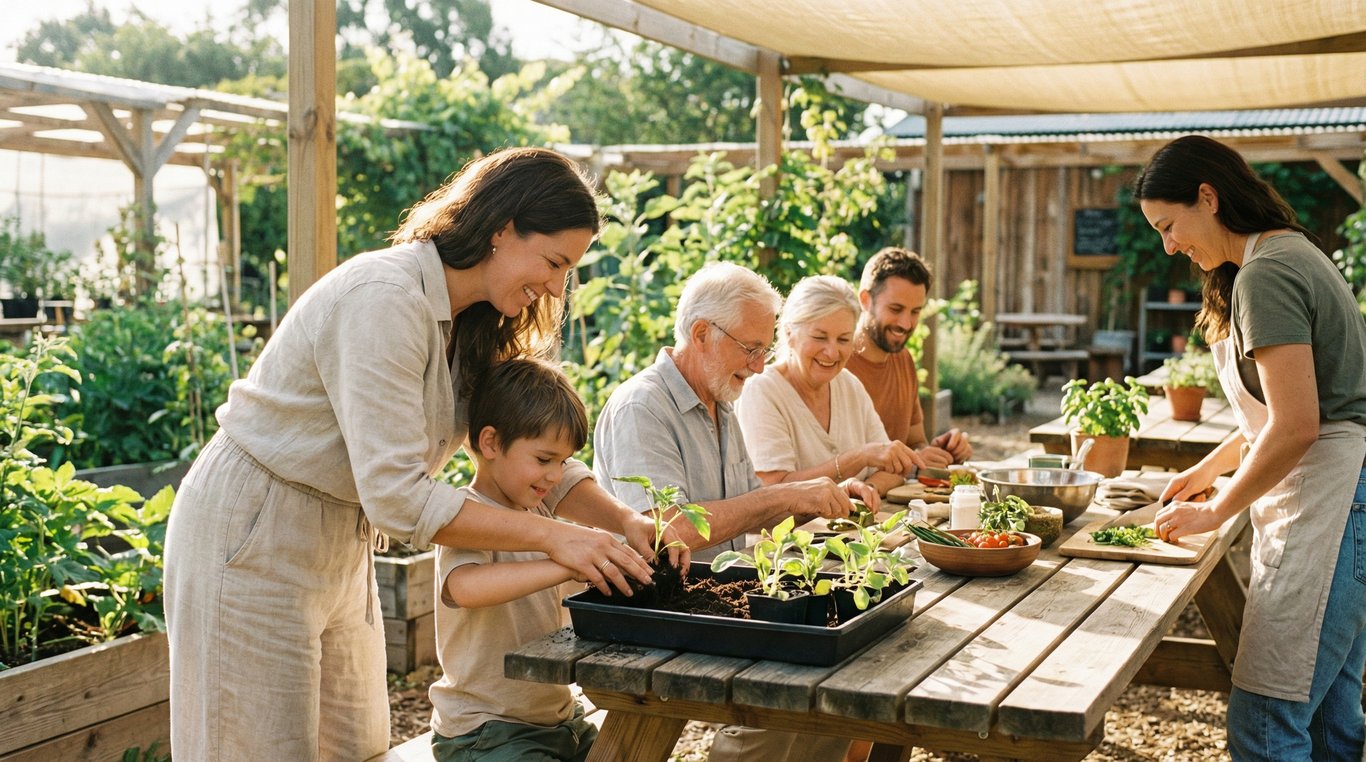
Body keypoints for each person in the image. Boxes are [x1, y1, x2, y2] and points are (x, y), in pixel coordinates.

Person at [164, 147, 681, 761]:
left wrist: (620, 520)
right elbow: (397, 497)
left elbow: (530, 449)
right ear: (501, 229)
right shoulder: (385, 298)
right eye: (553, 261)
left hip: (340, 539)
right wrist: (554, 540)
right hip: (253, 531)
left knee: (354, 748)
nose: (555, 285)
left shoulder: (471, 322)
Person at [1134, 134, 1366, 762]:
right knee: (1327, 719)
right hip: (1346, 503)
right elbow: (1279, 413)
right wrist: (1206, 472)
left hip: (1334, 505)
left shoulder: (1268, 273)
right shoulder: (1284, 257)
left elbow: (1297, 426)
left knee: (1265, 723)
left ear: (1207, 197)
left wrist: (1215, 511)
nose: (1169, 244)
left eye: (1169, 225)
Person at [593, 261, 863, 762]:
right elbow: (666, 532)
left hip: (712, 600)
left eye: (766, 350)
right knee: (784, 692)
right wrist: (785, 495)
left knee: (839, 683)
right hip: (648, 612)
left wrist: (820, 495)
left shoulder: (720, 404)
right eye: (751, 348)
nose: (760, 365)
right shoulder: (642, 408)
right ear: (701, 333)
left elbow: (747, 513)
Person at [428, 359, 609, 762]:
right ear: (491, 443)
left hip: (559, 718)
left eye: (562, 462)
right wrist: (563, 562)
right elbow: (465, 587)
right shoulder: (468, 514)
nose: (554, 475)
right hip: (487, 728)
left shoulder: (539, 511)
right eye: (544, 460)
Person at [736, 274, 926, 499]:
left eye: (844, 340)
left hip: (853, 532)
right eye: (819, 337)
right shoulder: (762, 391)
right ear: (789, 333)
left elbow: (891, 467)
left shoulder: (848, 384)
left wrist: (868, 490)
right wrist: (858, 458)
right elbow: (773, 488)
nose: (832, 352)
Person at [846, 247, 972, 468]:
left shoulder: (903, 360)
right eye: (895, 309)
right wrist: (912, 462)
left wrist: (939, 451)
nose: (906, 324)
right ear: (865, 300)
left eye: (915, 311)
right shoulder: (835, 364)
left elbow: (915, 442)